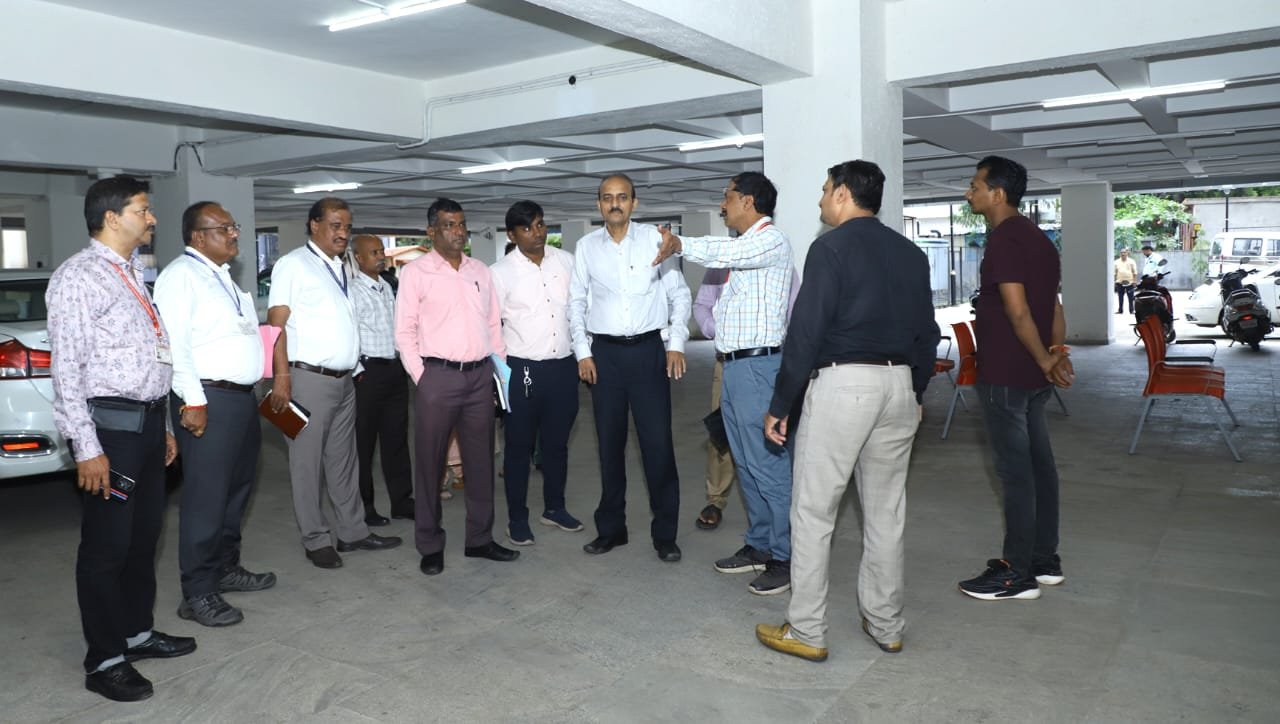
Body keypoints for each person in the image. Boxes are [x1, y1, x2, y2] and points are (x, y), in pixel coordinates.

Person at [754, 160, 940, 662]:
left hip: (843, 384)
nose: (819, 200)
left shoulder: (830, 247)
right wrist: (915, 392)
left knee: (813, 511)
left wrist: (781, 403)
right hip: (898, 385)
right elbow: (928, 332)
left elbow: (806, 331)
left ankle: (807, 629)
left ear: (841, 194)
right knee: (885, 513)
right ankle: (886, 624)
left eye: (823, 190)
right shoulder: (910, 253)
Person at [48, 176, 194, 702]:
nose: (152, 218)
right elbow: (67, 370)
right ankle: (105, 659)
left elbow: (150, 355)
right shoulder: (78, 277)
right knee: (107, 546)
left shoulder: (131, 272)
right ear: (112, 218)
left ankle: (135, 633)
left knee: (142, 537)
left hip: (148, 426)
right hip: (110, 432)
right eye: (143, 209)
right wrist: (87, 448)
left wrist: (165, 426)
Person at [653, 171, 795, 595]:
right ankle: (760, 545)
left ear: (748, 201)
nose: (722, 205)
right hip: (734, 368)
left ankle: (787, 557)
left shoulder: (770, 240)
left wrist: (680, 244)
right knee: (746, 465)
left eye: (727, 197)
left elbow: (726, 251)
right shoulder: (746, 249)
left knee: (768, 466)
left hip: (758, 368)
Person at [957, 155, 1074, 602]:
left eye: (975, 186)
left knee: (1016, 473)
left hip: (1007, 372)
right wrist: (1055, 353)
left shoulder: (1005, 240)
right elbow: (1055, 307)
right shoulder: (1040, 240)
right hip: (1031, 376)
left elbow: (1017, 309)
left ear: (997, 193)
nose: (969, 193)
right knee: (1040, 468)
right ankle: (1044, 561)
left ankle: (1016, 573)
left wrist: (1045, 359)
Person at [154, 201, 275, 629]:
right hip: (207, 399)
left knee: (236, 491)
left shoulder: (222, 277)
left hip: (240, 399)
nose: (234, 233)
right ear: (197, 236)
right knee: (206, 499)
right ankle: (198, 592)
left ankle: (225, 568)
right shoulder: (180, 277)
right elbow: (174, 345)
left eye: (233, 226)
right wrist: (193, 400)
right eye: (224, 228)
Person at [267, 198, 401, 569]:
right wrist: (281, 377)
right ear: (314, 225)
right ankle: (315, 539)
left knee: (344, 462)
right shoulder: (294, 264)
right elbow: (276, 324)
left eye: (347, 227)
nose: (343, 233)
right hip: (307, 380)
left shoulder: (340, 267)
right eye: (335, 225)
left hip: (345, 381)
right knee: (307, 465)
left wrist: (353, 366)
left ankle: (353, 532)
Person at [569, 174, 692, 563]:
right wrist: (582, 352)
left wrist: (675, 344)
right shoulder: (586, 247)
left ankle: (665, 535)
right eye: (607, 198)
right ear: (599, 204)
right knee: (609, 446)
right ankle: (611, 530)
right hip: (604, 357)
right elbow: (576, 302)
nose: (615, 204)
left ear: (634, 203)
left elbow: (679, 295)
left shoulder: (656, 240)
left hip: (648, 354)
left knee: (658, 447)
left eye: (622, 197)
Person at [395, 198, 519, 576]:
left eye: (462, 224)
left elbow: (494, 325)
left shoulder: (479, 271)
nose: (458, 231)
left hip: (480, 377)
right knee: (430, 464)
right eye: (449, 225)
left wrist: (499, 373)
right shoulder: (415, 273)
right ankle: (430, 544)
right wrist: (423, 378)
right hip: (438, 377)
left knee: (481, 463)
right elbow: (404, 332)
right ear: (431, 231)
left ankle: (479, 539)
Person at [491, 200, 583, 545]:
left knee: (557, 445)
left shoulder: (566, 261)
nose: (537, 233)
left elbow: (579, 310)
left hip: (563, 367)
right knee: (518, 448)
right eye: (527, 228)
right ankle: (517, 518)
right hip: (521, 369)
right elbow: (490, 327)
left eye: (541, 224)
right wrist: (498, 378)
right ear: (512, 234)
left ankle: (555, 508)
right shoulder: (499, 272)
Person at [349, 234, 415, 526]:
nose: (380, 257)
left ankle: (402, 502)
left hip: (394, 371)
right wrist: (357, 371)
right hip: (368, 374)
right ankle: (365, 507)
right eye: (374, 252)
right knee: (363, 444)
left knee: (396, 439)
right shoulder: (352, 291)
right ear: (358, 258)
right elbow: (349, 334)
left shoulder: (387, 286)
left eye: (381, 251)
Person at [691, 268, 737, 531]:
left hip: (766, 360)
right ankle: (716, 499)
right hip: (727, 360)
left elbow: (792, 307)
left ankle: (773, 502)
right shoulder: (721, 267)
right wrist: (716, 329)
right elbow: (702, 305)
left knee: (769, 432)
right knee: (721, 431)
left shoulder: (776, 258)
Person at [1113, 248, 1137, 314]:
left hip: (1130, 282)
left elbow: (1135, 272)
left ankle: (1131, 310)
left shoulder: (1131, 261)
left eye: (1124, 252)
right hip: (1119, 282)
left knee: (1131, 297)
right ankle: (1120, 310)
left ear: (1127, 253)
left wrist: (1135, 281)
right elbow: (1114, 273)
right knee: (1120, 297)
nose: (1123, 254)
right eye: (1121, 252)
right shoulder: (1116, 262)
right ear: (1120, 253)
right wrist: (1114, 281)